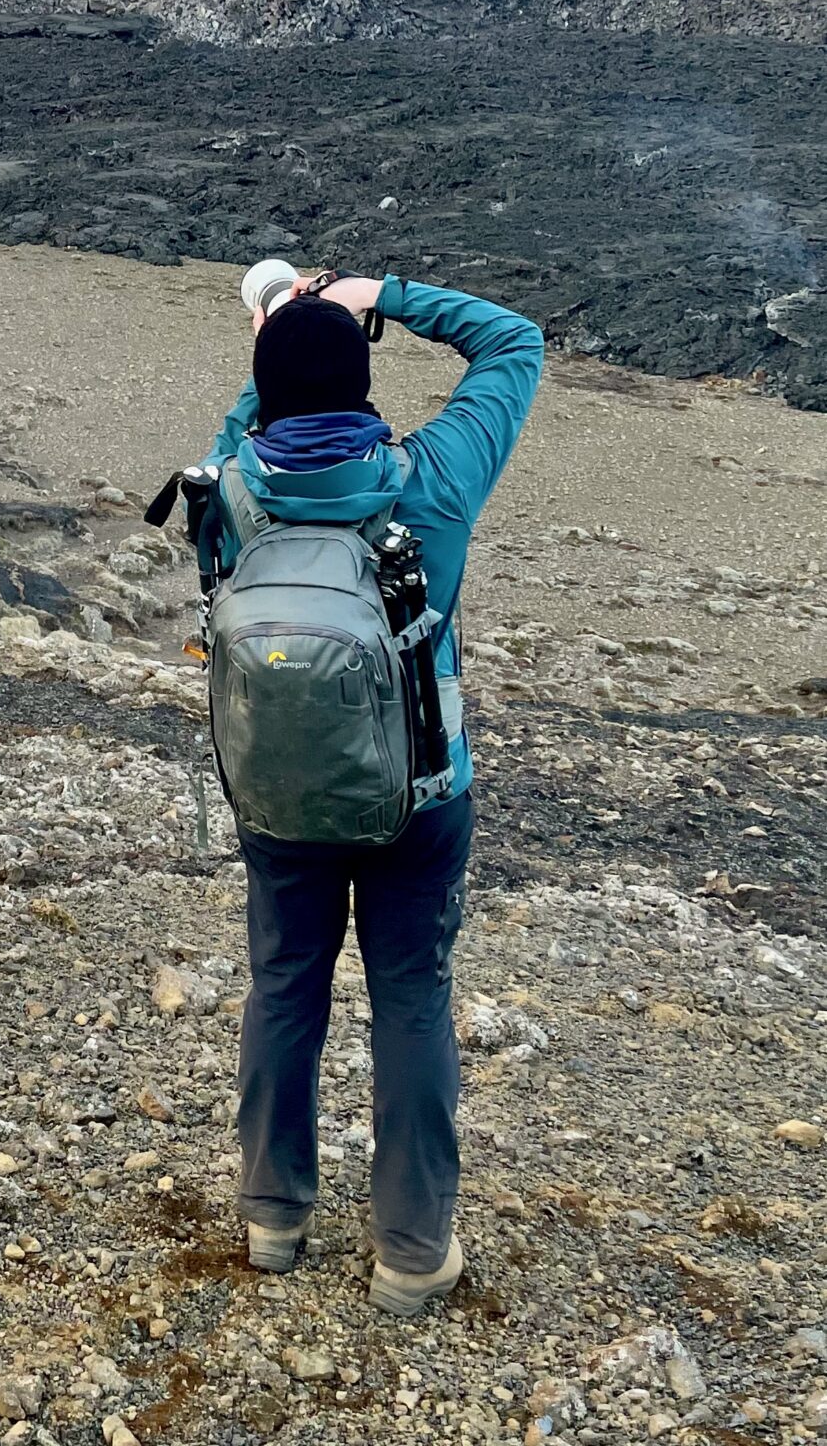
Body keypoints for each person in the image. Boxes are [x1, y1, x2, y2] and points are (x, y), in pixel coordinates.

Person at [207, 269, 542, 1315]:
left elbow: (248, 419)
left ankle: (273, 1214)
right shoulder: (435, 475)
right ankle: (410, 1247)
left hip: (279, 788)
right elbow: (514, 340)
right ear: (364, 382)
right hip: (421, 793)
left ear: (266, 387)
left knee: (285, 985)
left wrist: (279, 337)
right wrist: (377, 290)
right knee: (410, 999)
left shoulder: (227, 483)